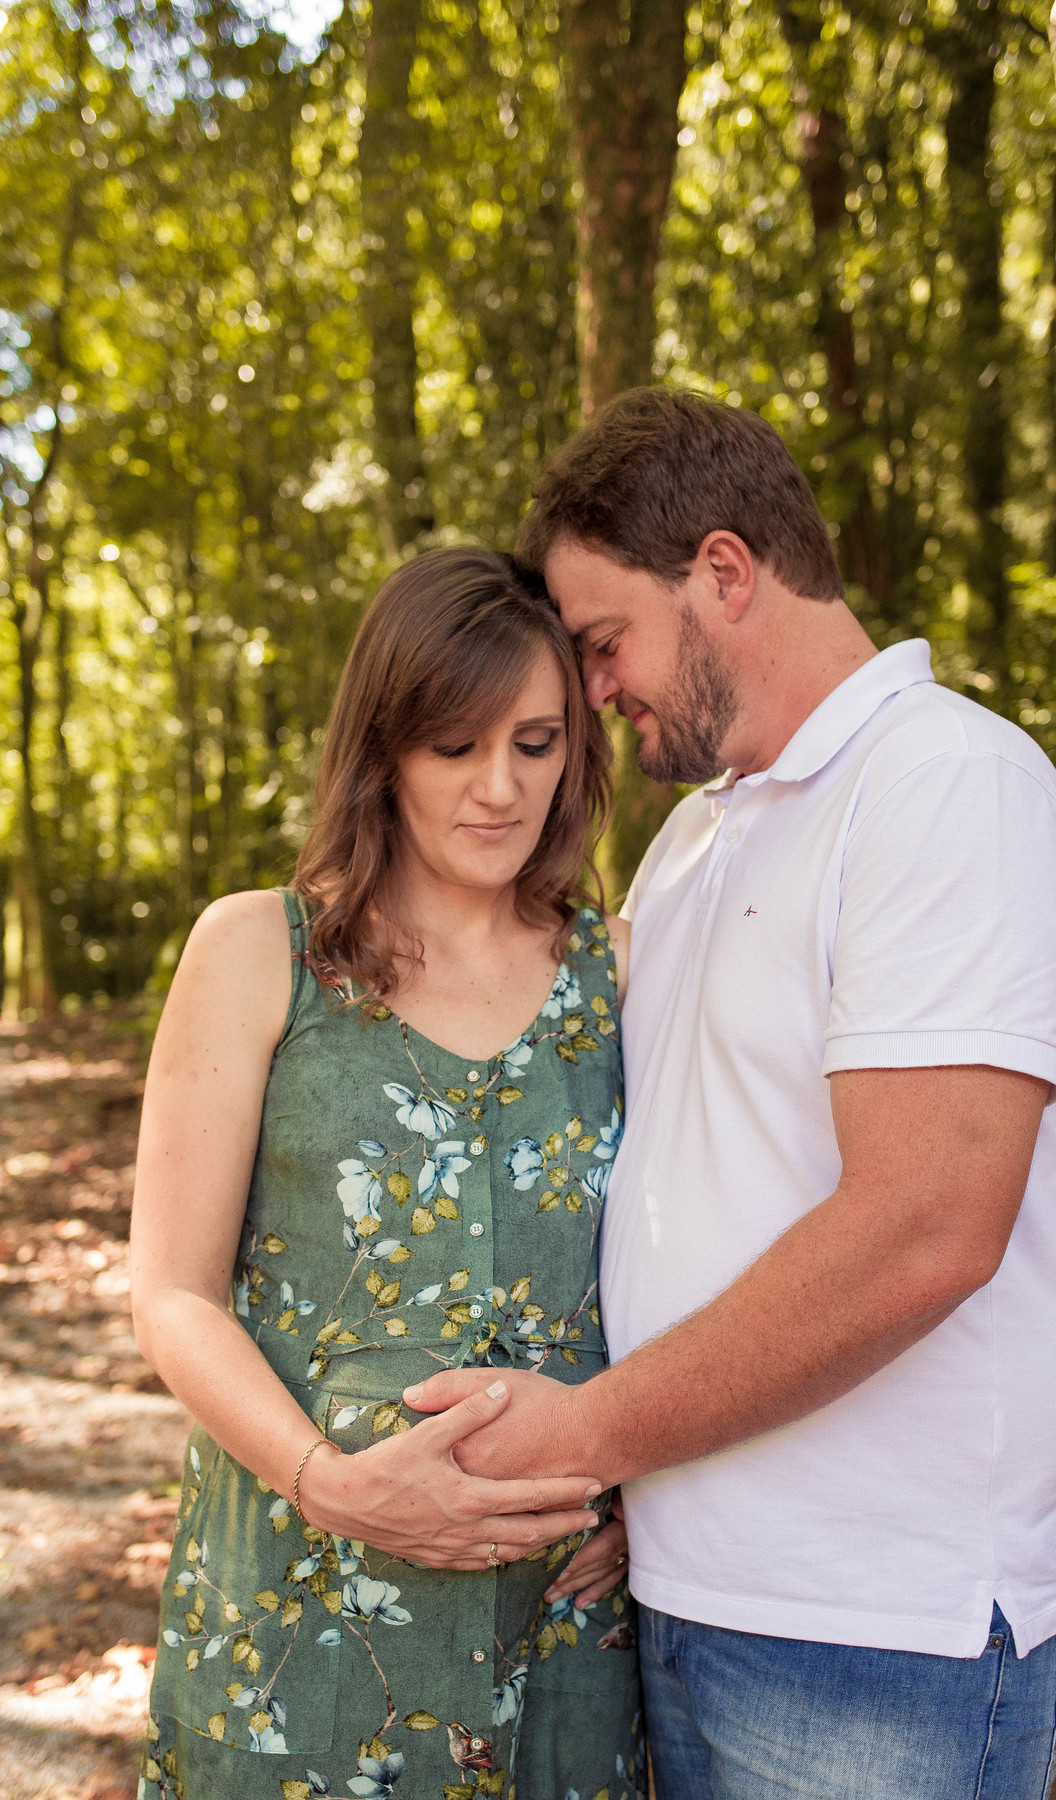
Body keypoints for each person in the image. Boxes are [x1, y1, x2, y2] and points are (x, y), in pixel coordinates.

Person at [403, 390, 1056, 1800]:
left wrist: (590, 1428)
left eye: (606, 643)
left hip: (881, 1628)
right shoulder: (693, 848)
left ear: (724, 572)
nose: (594, 688)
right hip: (688, 1588)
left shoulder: (944, 787)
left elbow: (926, 1228)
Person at [130, 548, 645, 1800]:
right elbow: (172, 1294)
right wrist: (332, 1484)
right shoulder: (261, 952)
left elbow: (694, 1273)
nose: (499, 787)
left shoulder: (627, 970)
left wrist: (660, 1489)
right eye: (454, 745)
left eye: (535, 743)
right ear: (383, 747)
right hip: (294, 1618)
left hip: (564, 1640)